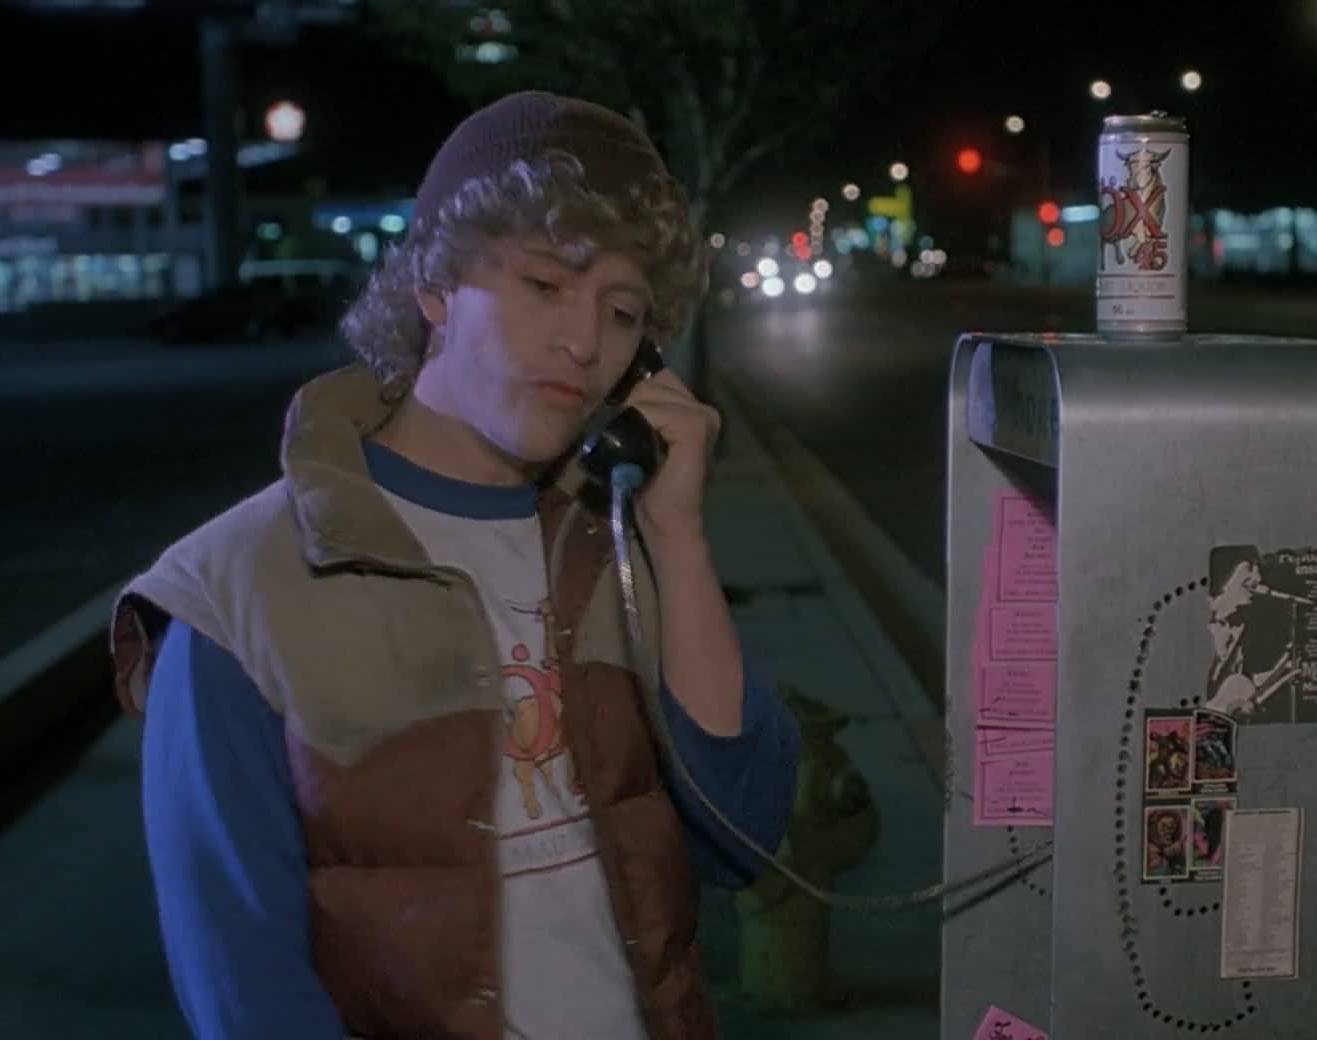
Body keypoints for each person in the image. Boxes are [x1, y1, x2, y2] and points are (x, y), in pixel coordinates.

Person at [108, 91, 802, 1040]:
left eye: (622, 312)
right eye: (545, 285)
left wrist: (678, 536)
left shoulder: (617, 542)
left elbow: (744, 839)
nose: (584, 343)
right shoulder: (236, 592)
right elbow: (246, 993)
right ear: (435, 287)